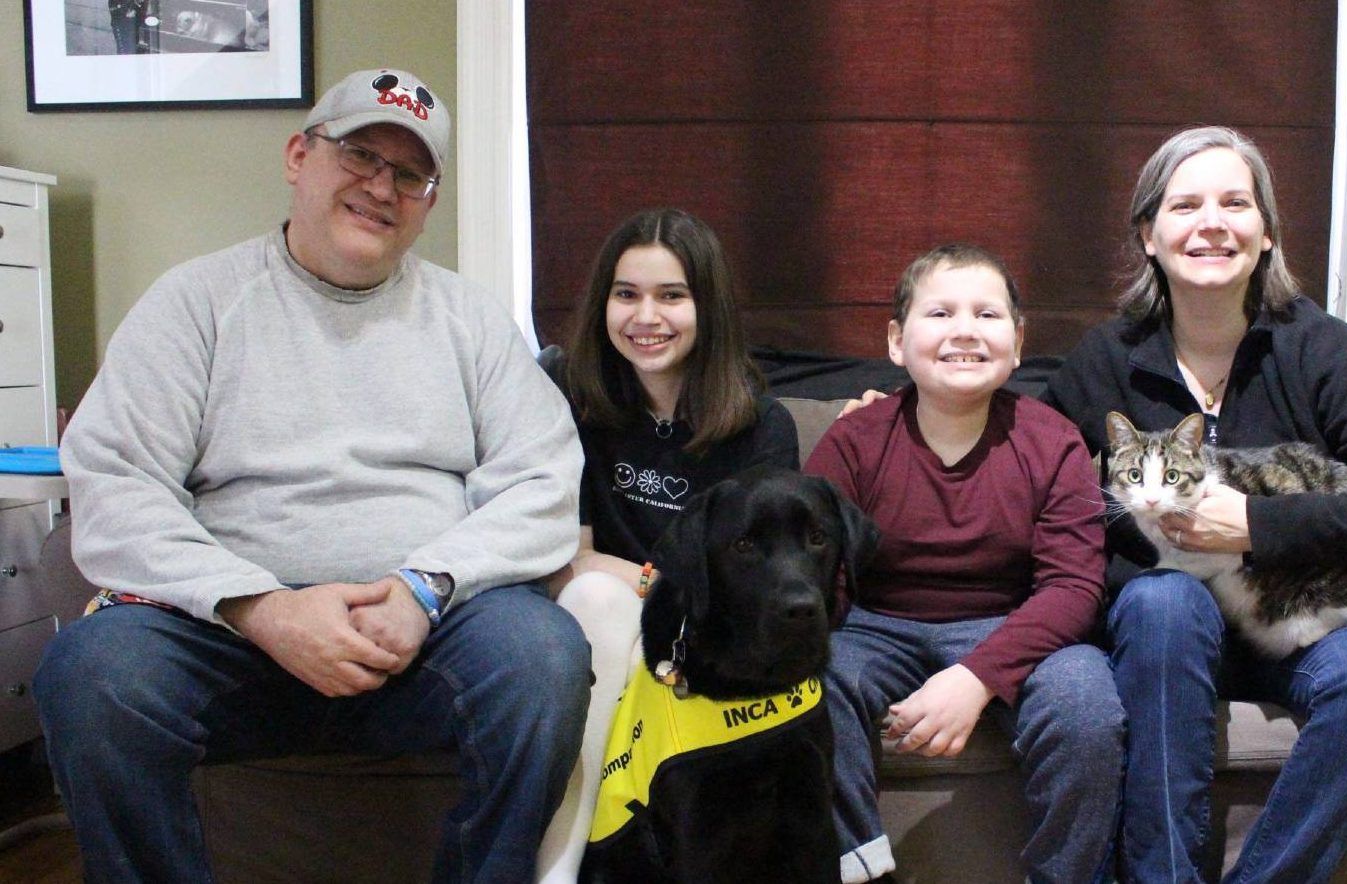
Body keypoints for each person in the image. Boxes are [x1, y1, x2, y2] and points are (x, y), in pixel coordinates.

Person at [33, 68, 591, 883]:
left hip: (424, 637)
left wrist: (425, 587)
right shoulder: (194, 303)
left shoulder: (471, 321)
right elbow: (115, 483)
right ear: (299, 156)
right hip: (229, 641)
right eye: (361, 154)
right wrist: (262, 607)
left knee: (543, 658)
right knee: (91, 674)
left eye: (410, 174)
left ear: (429, 201)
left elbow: (544, 481)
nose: (381, 187)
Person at [1046, 126, 1347, 882]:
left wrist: (1255, 525)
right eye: (1185, 204)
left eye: (1236, 202)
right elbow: (1033, 478)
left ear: (1265, 233)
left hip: (1306, 624)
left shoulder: (1320, 348)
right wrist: (905, 409)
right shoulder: (1103, 359)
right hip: (1163, 646)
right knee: (1162, 602)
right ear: (1149, 235)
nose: (1212, 222)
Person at [805, 244, 1124, 883]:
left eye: (987, 315)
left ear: (1018, 341)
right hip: (875, 624)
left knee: (1087, 700)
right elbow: (817, 571)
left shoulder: (1052, 440)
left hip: (1012, 623)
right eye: (940, 313)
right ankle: (859, 867)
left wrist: (976, 678)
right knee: (810, 678)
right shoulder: (855, 439)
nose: (964, 332)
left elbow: (1072, 585)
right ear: (897, 341)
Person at [534, 208, 799, 882]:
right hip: (597, 614)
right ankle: (558, 871)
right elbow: (569, 556)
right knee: (597, 600)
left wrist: (663, 601)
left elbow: (749, 581)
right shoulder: (568, 396)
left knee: (610, 604)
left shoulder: (762, 425)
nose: (645, 316)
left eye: (671, 296)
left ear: (706, 306)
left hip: (709, 628)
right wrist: (657, 587)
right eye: (627, 294)